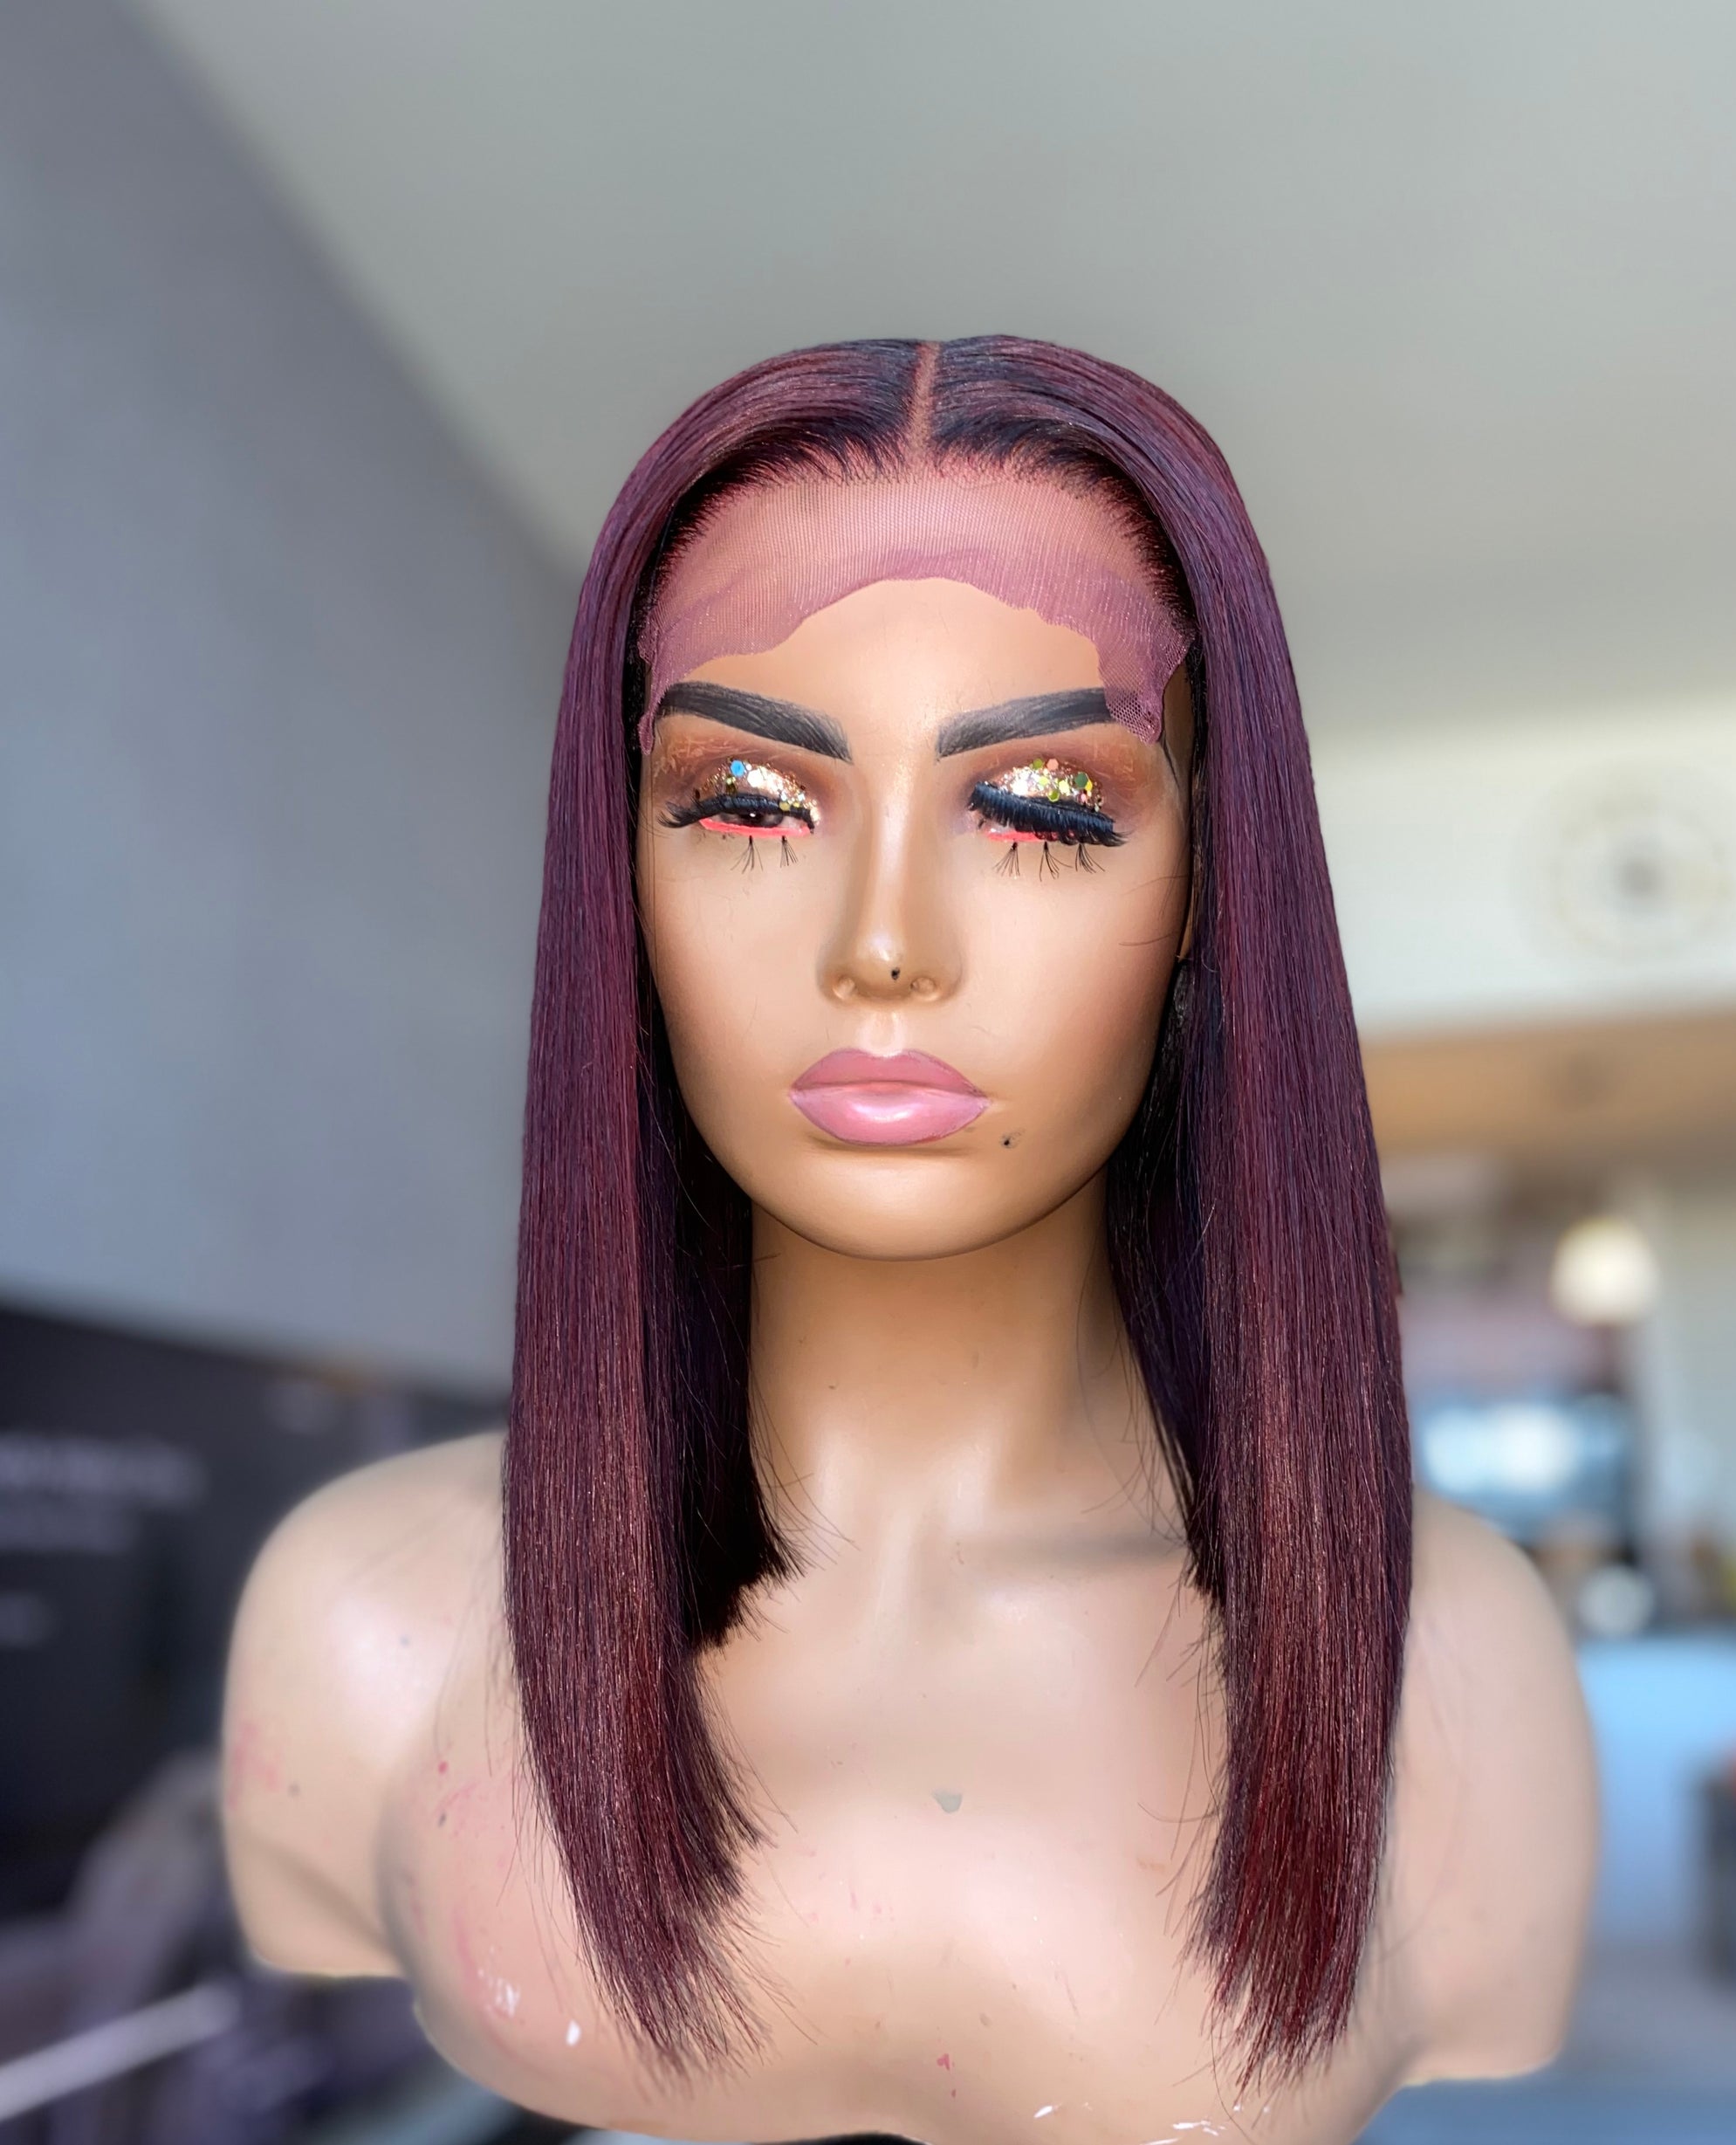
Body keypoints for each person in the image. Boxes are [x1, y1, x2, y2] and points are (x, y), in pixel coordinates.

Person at [221, 338, 1597, 2145]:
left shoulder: (1452, 1667)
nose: (881, 946)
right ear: (622, 870)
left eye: (1039, 808)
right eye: (746, 800)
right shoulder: (362, 1624)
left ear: (1206, 886)